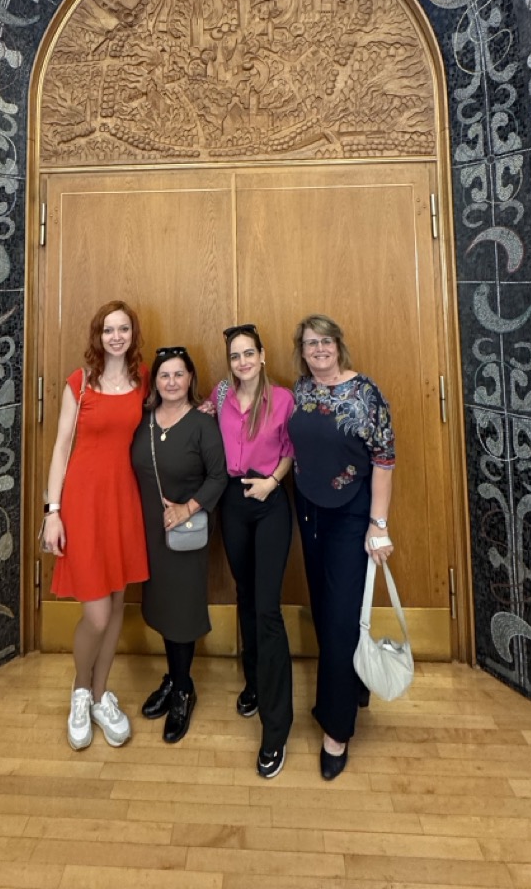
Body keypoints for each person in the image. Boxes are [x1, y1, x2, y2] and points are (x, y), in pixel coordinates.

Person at [288, 314, 395, 780]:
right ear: (302, 350)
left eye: (326, 341)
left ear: (338, 345)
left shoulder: (365, 392)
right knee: (325, 609)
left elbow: (384, 460)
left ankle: (336, 730)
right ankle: (352, 685)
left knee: (337, 619)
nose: (319, 349)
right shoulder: (301, 390)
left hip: (352, 515)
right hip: (309, 511)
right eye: (310, 343)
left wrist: (378, 524)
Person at [42, 301, 149, 752]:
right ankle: (80, 691)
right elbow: (61, 447)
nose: (116, 336)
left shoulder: (144, 381)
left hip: (124, 503)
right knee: (97, 614)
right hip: (83, 505)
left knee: (118, 603)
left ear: (133, 334)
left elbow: (176, 404)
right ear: (98, 336)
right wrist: (52, 511)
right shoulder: (80, 382)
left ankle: (102, 695)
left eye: (124, 329)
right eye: (109, 329)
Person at [202, 323, 295, 780]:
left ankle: (276, 729)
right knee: (245, 597)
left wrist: (272, 483)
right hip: (233, 504)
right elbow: (201, 422)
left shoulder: (282, 399)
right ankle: (254, 683)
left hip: (269, 501)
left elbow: (290, 450)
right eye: (235, 356)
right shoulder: (221, 395)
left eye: (248, 354)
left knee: (267, 610)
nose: (242, 362)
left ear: (262, 355)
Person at [130, 346, 227, 744]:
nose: (171, 382)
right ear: (155, 381)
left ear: (190, 379)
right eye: (164, 375)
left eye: (179, 375)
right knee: (161, 605)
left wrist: (187, 508)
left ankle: (184, 690)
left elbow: (219, 476)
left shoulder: (202, 424)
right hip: (149, 532)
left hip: (185, 534)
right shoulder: (143, 421)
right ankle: (173, 678)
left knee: (182, 611)